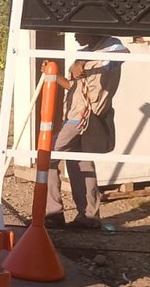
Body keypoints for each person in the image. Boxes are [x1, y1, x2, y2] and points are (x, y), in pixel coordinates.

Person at [45, 33, 127, 230]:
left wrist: (83, 60)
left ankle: (53, 212)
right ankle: (89, 215)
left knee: (47, 157)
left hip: (83, 116)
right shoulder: (84, 52)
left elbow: (122, 53)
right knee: (80, 162)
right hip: (74, 114)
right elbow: (74, 87)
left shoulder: (111, 46)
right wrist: (55, 77)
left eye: (78, 31)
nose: (74, 36)